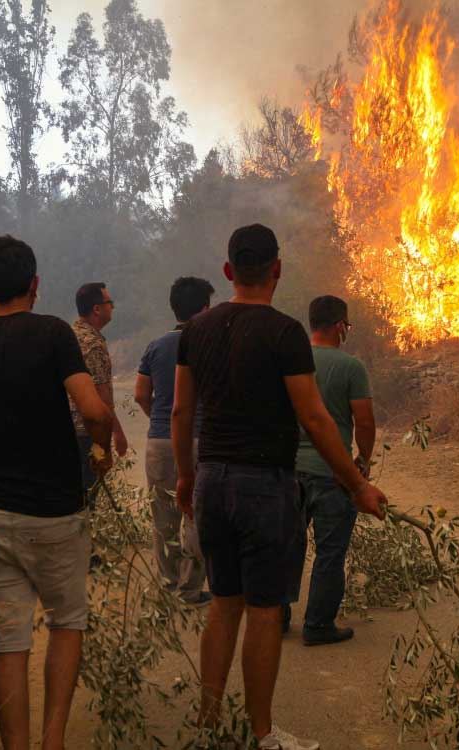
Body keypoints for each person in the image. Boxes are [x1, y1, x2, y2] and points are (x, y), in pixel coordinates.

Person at [173, 223, 389, 750]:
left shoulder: (195, 331)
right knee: (265, 611)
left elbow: (181, 410)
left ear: (228, 271)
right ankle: (262, 734)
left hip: (211, 481)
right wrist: (357, 484)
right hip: (263, 485)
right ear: (276, 270)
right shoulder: (285, 332)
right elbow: (315, 419)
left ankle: (207, 726)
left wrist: (185, 475)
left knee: (225, 602)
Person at [0, 236, 113, 750]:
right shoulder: (55, 334)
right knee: (66, 624)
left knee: (8, 641)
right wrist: (99, 454)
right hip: (55, 515)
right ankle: (52, 739)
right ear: (35, 285)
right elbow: (96, 412)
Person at [288, 294, 375, 646]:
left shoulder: (290, 362)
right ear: (340, 326)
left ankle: (275, 618)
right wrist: (363, 461)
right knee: (330, 553)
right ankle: (318, 625)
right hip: (333, 473)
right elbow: (364, 420)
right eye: (347, 326)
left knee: (286, 547)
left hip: (289, 471)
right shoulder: (350, 367)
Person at [134, 276, 215, 605]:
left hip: (159, 442)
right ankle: (190, 589)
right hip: (198, 440)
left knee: (163, 517)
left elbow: (141, 394)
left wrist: (160, 418)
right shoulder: (211, 344)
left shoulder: (155, 346)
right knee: (196, 515)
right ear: (205, 309)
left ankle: (168, 585)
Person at [71, 281, 128, 494]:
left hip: (67, 432)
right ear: (97, 309)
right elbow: (102, 396)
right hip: (87, 434)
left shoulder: (69, 335)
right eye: (109, 302)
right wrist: (117, 435)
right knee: (90, 500)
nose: (112, 306)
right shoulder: (93, 344)